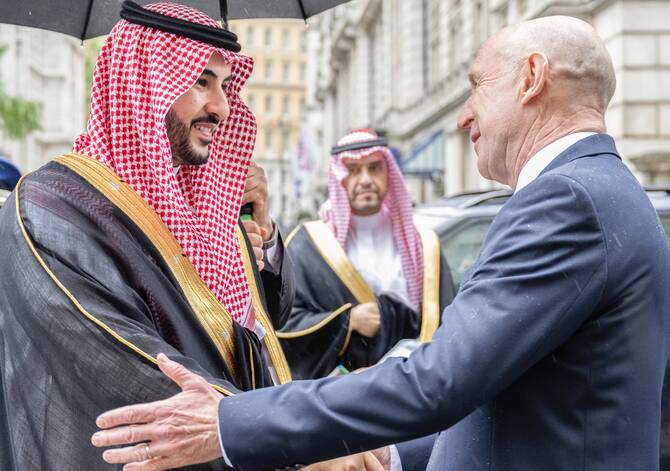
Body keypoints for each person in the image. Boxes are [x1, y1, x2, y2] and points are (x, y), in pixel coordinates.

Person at [92, 15, 670, 471]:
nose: (465, 115)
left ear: (532, 77)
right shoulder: (596, 191)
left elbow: (442, 380)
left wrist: (227, 423)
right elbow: (507, 398)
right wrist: (388, 454)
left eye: (476, 86)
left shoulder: (566, 201)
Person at [0, 2, 296, 469]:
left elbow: (266, 328)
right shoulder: (50, 210)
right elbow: (133, 372)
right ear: (145, 84)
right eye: (201, 81)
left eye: (224, 85)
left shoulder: (209, 210)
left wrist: (262, 230)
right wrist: (290, 438)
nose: (221, 107)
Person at [278, 129, 455, 378]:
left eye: (374, 168)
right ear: (340, 178)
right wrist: (347, 321)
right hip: (341, 389)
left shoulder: (423, 243)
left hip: (413, 382)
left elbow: (446, 319)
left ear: (388, 172)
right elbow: (285, 322)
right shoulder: (308, 244)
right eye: (353, 170)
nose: (365, 180)